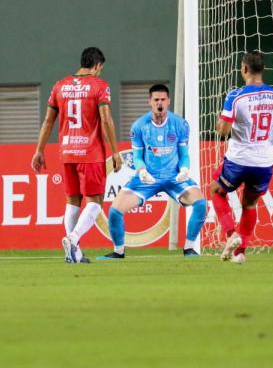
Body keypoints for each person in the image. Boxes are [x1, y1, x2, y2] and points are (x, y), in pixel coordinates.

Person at [31, 47, 122, 263]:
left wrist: (39, 150)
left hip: (67, 151)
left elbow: (48, 121)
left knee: (72, 201)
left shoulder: (59, 86)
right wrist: (115, 151)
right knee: (96, 201)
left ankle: (75, 253)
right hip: (90, 152)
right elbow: (106, 119)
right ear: (98, 65)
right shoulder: (100, 86)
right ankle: (73, 238)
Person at [98, 84, 207, 259]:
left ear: (169, 101)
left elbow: (184, 154)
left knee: (201, 204)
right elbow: (138, 155)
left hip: (174, 177)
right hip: (147, 179)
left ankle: (189, 249)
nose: (160, 103)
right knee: (115, 211)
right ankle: (118, 252)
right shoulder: (139, 126)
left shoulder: (180, 124)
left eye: (163, 99)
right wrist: (141, 171)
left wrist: (185, 168)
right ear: (150, 101)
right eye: (156, 100)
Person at [210, 50, 273, 264]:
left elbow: (223, 129)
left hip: (238, 159)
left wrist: (220, 123)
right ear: (263, 70)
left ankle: (231, 234)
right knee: (249, 204)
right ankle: (240, 253)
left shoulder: (236, 96)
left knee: (216, 190)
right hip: (264, 162)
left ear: (244, 69)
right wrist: (272, 142)